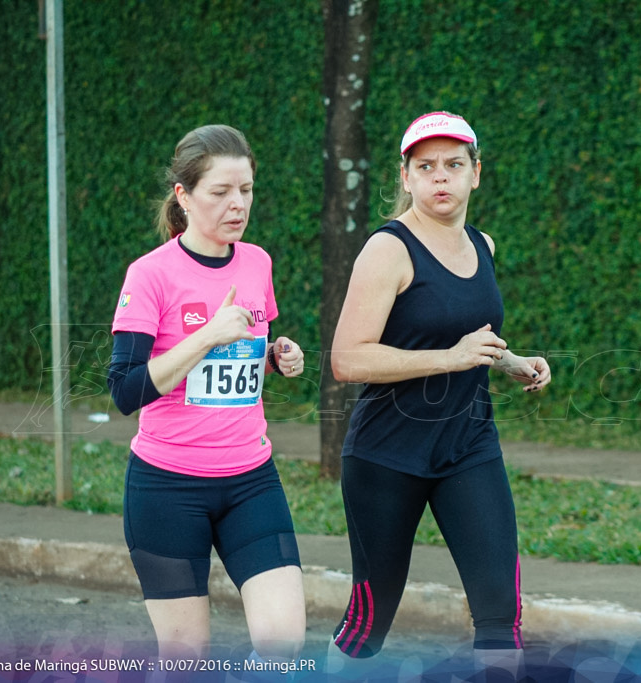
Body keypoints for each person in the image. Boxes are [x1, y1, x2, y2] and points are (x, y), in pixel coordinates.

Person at [328, 111, 552, 679]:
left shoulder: (483, 244)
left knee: (501, 614)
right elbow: (348, 359)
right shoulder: (388, 250)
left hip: (468, 448)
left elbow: (470, 335)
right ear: (406, 178)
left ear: (476, 173)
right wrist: (449, 357)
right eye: (425, 167)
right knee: (368, 624)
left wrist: (514, 363)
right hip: (387, 457)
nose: (440, 178)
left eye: (454, 165)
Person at [107, 125, 306, 669]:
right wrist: (207, 334)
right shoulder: (150, 275)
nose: (237, 204)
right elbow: (125, 390)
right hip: (167, 490)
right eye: (220, 192)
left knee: (283, 641)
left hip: (250, 480)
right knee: (185, 658)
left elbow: (241, 351)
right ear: (184, 196)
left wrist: (275, 354)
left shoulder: (257, 262)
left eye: (245, 189)